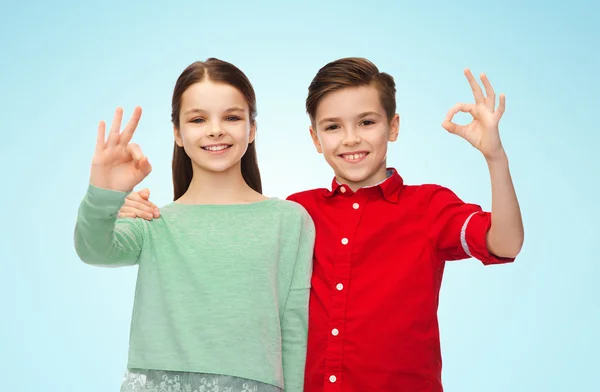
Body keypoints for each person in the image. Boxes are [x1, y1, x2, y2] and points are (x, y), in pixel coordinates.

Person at [121, 57, 524, 391]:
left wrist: (495, 157)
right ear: (315, 137)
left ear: (394, 127)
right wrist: (129, 211)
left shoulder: (429, 205)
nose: (351, 139)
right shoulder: (297, 213)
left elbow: (504, 243)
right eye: (333, 127)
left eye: (367, 122)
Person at [74, 58, 315, 392]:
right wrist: (105, 192)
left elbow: (294, 329)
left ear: (252, 128)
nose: (215, 129)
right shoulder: (152, 220)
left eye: (231, 117)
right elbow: (93, 248)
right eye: (198, 119)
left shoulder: (289, 220)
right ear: (177, 133)